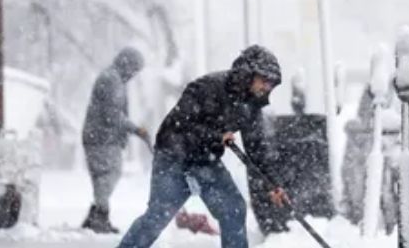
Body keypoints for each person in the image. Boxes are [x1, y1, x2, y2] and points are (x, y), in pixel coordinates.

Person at [118, 45, 291, 248]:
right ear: (248, 73)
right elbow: (179, 125)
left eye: (272, 84)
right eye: (265, 80)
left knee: (234, 209)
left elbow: (257, 149)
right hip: (173, 156)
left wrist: (273, 184)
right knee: (158, 216)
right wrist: (216, 136)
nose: (267, 87)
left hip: (205, 160)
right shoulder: (207, 87)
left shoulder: (251, 105)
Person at [80, 47, 149, 233]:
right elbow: (112, 115)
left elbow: (114, 114)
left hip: (100, 136)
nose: (134, 74)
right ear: (126, 63)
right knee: (108, 175)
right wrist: (137, 130)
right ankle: (99, 217)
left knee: (104, 176)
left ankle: (96, 216)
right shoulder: (112, 80)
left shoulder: (113, 78)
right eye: (134, 69)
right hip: (101, 137)